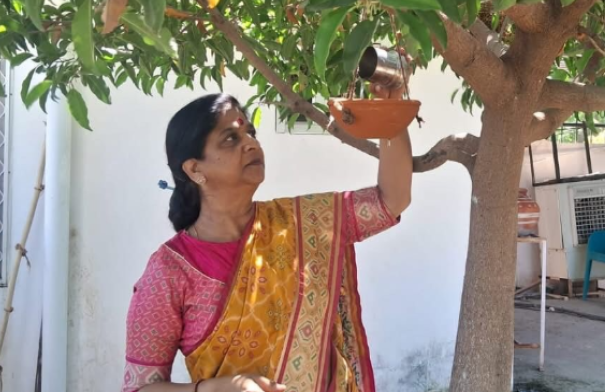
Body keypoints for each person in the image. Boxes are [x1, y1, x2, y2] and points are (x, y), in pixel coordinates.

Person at [122, 85, 412, 392]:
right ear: (195, 169)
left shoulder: (305, 221)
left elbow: (391, 200)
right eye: (230, 138)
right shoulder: (169, 272)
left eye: (251, 133)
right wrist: (214, 389)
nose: (251, 144)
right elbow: (139, 388)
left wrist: (390, 108)